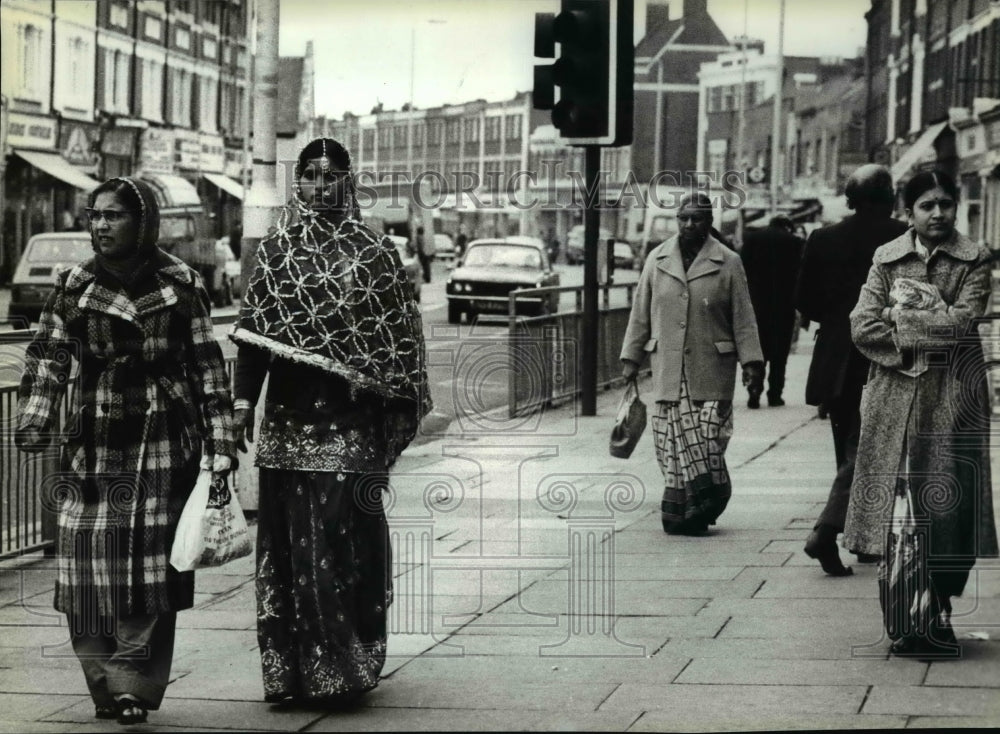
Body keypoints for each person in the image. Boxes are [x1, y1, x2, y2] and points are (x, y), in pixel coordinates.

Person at [15, 176, 236, 725]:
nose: (100, 226)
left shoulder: (180, 283)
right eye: (94, 215)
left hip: (160, 442)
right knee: (84, 568)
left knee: (148, 571)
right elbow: (47, 359)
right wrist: (35, 419)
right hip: (92, 443)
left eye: (113, 216)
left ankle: (133, 684)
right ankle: (102, 685)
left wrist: (221, 445)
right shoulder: (73, 284)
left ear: (142, 223)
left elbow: (208, 367)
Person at [230, 138, 431, 706]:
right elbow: (253, 339)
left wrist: (387, 405)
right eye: (309, 176)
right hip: (287, 429)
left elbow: (399, 345)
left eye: (329, 176)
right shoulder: (276, 252)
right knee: (289, 550)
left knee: (344, 545)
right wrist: (243, 403)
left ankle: (346, 665)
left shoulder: (373, 253)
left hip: (350, 428)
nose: (319, 187)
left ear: (349, 181)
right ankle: (293, 672)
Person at [844, 170, 998, 657]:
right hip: (894, 400)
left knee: (948, 507)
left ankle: (941, 607)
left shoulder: (973, 259)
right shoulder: (886, 259)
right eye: (927, 206)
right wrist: (921, 325)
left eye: (945, 204)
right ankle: (908, 616)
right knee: (898, 513)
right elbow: (862, 327)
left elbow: (960, 324)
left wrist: (901, 317)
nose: (938, 214)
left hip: (954, 400)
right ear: (908, 212)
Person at [620, 192, 764, 535]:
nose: (688, 224)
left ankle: (708, 500)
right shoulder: (657, 259)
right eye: (683, 218)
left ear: (709, 221)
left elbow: (743, 317)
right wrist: (630, 358)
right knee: (671, 441)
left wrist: (753, 363)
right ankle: (680, 509)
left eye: (696, 218)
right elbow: (641, 312)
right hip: (668, 370)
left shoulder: (728, 262)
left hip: (713, 367)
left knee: (710, 439)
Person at [796, 164, 909, 576]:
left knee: (848, 444)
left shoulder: (823, 238)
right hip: (887, 354)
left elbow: (804, 302)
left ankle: (863, 536)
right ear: (891, 196)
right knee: (872, 449)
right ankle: (829, 530)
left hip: (835, 358)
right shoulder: (905, 237)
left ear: (850, 198)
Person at [739, 214, 804, 408]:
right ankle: (775, 394)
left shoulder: (753, 239)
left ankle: (754, 388)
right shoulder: (794, 242)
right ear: (787, 227)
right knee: (779, 354)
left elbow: (741, 271)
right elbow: (801, 274)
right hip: (784, 306)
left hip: (756, 306)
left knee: (758, 351)